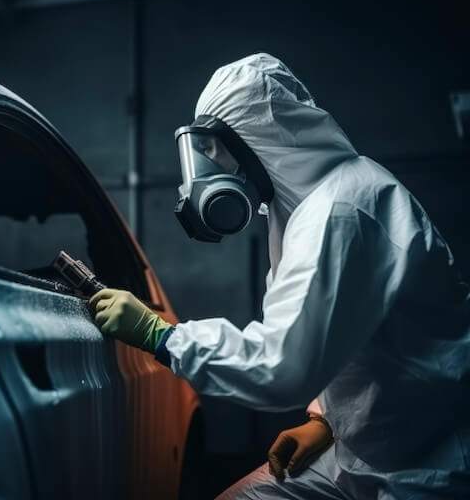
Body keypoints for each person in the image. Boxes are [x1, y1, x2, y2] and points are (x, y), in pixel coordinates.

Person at [89, 53, 470, 499]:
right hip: (358, 454)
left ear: (257, 139)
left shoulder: (341, 211)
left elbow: (282, 365)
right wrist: (323, 422)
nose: (209, 169)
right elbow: (345, 341)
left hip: (426, 466)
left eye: (215, 149)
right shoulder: (301, 209)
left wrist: (163, 336)